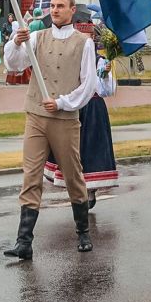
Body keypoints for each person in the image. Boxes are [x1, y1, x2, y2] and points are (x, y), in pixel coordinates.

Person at [1, 0, 100, 261]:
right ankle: (24, 241)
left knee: (72, 175)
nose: (54, 10)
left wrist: (63, 102)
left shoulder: (84, 43)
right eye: (52, 6)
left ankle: (82, 231)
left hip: (65, 119)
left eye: (60, 6)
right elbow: (13, 64)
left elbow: (88, 84)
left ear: (71, 10)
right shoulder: (36, 37)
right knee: (30, 176)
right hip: (35, 115)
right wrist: (16, 43)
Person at [44, 19, 118, 208]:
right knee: (70, 148)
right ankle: (76, 187)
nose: (86, 42)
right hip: (73, 107)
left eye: (90, 38)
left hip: (93, 110)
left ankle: (90, 189)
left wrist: (105, 74)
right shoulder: (69, 59)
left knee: (91, 148)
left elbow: (106, 90)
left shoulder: (101, 61)